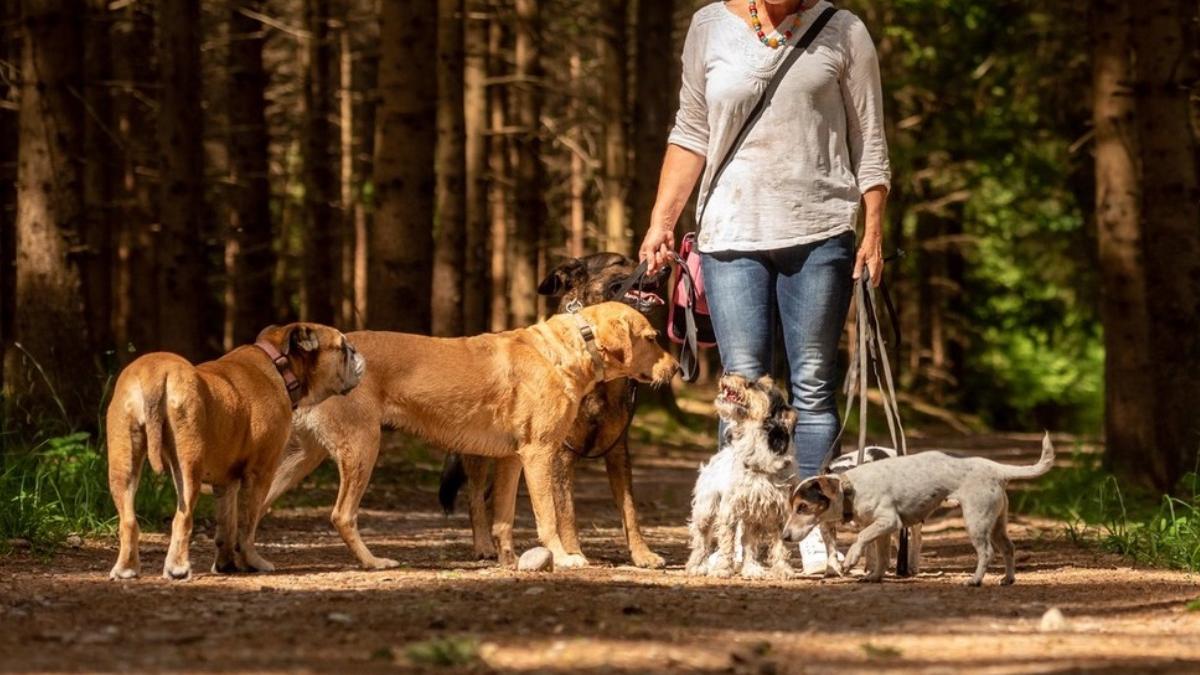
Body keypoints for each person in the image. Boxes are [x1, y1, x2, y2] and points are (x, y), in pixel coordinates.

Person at [638, 0, 890, 572]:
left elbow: (869, 140)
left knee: (812, 383)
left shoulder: (845, 31)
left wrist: (872, 230)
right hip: (729, 232)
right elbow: (691, 132)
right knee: (741, 389)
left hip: (821, 227)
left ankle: (811, 531)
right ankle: (745, 539)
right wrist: (662, 220)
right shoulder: (710, 25)